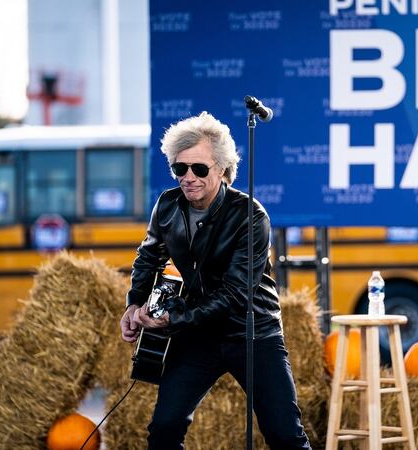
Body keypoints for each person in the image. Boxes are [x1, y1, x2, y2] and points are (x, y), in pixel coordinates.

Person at [120, 112, 311, 450]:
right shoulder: (167, 205)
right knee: (163, 429)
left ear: (222, 169)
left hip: (251, 333)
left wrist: (173, 318)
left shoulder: (251, 216)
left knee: (284, 435)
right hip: (197, 335)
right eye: (180, 168)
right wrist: (134, 305)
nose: (188, 177)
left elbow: (236, 294)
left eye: (200, 168)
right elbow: (148, 257)